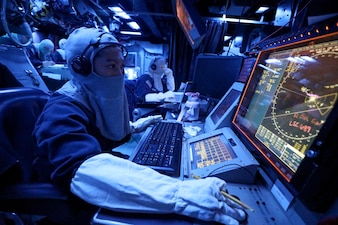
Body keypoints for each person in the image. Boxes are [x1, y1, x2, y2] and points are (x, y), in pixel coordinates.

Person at [33, 27, 246, 225]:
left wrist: (135, 126)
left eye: (120, 66)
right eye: (110, 66)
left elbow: (104, 129)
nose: (119, 74)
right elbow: (80, 166)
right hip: (76, 199)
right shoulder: (61, 109)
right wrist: (178, 193)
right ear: (81, 67)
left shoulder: (89, 97)